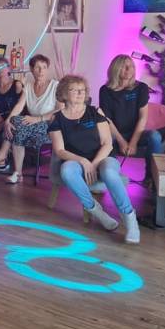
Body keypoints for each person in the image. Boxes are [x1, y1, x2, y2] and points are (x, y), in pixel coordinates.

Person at [48, 75, 140, 244]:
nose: (80, 93)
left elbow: (107, 144)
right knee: (67, 170)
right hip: (76, 160)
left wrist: (94, 164)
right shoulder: (57, 118)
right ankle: (96, 211)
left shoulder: (95, 112)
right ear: (64, 93)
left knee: (109, 172)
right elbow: (59, 150)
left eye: (82, 90)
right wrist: (83, 162)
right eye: (75, 90)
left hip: (103, 158)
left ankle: (130, 219)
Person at [0, 54, 61, 183]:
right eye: (37, 67)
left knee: (17, 126)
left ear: (48, 69)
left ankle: (7, 162)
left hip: (50, 125)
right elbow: (19, 105)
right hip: (31, 124)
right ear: (32, 69)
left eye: (44, 67)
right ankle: (12, 169)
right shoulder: (28, 86)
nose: (41, 71)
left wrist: (38, 119)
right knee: (15, 124)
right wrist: (8, 120)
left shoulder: (55, 86)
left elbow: (59, 110)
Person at [99, 54, 161, 182]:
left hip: (136, 133)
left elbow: (143, 117)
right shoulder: (105, 90)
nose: (129, 69)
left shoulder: (141, 88)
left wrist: (133, 142)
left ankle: (152, 179)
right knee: (103, 139)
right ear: (115, 69)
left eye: (131, 66)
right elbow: (107, 120)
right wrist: (121, 141)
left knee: (155, 136)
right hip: (114, 133)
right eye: (124, 67)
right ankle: (112, 177)